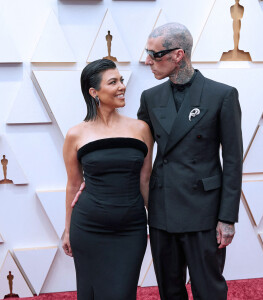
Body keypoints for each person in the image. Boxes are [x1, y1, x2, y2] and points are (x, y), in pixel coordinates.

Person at [137, 23, 243, 300]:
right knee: (169, 290)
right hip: (163, 209)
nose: (147, 60)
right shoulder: (150, 97)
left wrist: (227, 218)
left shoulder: (222, 95)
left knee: (209, 289)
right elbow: (138, 152)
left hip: (204, 212)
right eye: (147, 52)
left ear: (178, 55)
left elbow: (232, 160)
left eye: (154, 54)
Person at [62, 59, 153, 300]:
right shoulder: (75, 134)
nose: (122, 86)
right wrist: (68, 230)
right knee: (91, 293)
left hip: (131, 228)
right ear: (94, 92)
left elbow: (146, 180)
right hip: (88, 227)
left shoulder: (141, 129)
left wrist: (157, 221)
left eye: (121, 80)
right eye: (113, 82)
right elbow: (73, 185)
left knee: (123, 293)